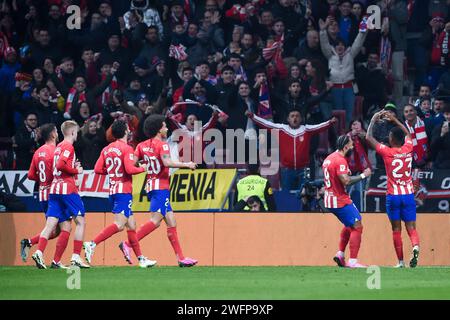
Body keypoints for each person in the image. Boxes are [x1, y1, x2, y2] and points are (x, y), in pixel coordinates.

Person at [118, 114, 198, 267]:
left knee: (171, 221)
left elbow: (132, 165)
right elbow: (167, 162)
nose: (167, 128)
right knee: (155, 222)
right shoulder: (163, 145)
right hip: (161, 187)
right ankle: (128, 244)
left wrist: (145, 163)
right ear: (158, 130)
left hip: (150, 185)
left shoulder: (141, 146)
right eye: (164, 126)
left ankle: (181, 258)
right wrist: (187, 164)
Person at [83, 120, 156, 268]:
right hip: (123, 191)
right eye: (128, 129)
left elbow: (97, 169)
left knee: (131, 225)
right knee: (120, 224)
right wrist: (143, 168)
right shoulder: (127, 148)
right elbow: (130, 170)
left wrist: (112, 171)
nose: (129, 131)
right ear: (124, 132)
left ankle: (141, 259)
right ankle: (92, 243)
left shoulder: (107, 149)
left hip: (113, 190)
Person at [365, 111, 420, 268]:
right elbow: (408, 133)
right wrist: (395, 120)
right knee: (411, 227)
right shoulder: (409, 148)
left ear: (392, 139)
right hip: (408, 195)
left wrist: (374, 119)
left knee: (396, 229)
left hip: (393, 196)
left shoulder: (387, 152)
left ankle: (401, 262)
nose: (388, 138)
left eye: (390, 136)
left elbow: (368, 138)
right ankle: (415, 246)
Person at [31, 120, 89, 269]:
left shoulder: (57, 148)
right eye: (76, 132)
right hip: (67, 189)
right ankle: (76, 257)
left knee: (50, 224)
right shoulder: (68, 146)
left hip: (54, 189)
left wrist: (71, 166)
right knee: (80, 221)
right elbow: (60, 165)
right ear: (72, 132)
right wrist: (77, 171)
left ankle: (39, 252)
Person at [246, 109, 336, 191]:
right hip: (287, 170)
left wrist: (330, 122)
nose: (295, 118)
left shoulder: (307, 129)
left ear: (301, 119)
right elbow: (265, 123)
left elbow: (320, 126)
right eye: (292, 116)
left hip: (304, 169)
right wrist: (252, 116)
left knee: (306, 194)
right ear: (288, 119)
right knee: (287, 196)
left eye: (297, 116)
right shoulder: (281, 129)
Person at [322, 135, 372, 268]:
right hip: (339, 200)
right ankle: (353, 261)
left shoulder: (329, 158)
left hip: (330, 200)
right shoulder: (340, 160)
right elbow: (346, 180)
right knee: (357, 225)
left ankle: (340, 254)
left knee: (349, 224)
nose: (353, 146)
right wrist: (363, 175)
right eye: (351, 144)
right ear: (345, 147)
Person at [20, 124, 62, 266]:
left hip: (42, 193)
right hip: (54, 193)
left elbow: (31, 175)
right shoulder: (55, 151)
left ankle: (29, 242)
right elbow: (58, 173)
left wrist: (42, 180)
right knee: (58, 227)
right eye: (56, 131)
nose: (57, 133)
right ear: (53, 135)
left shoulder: (38, 152)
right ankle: (49, 258)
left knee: (55, 230)